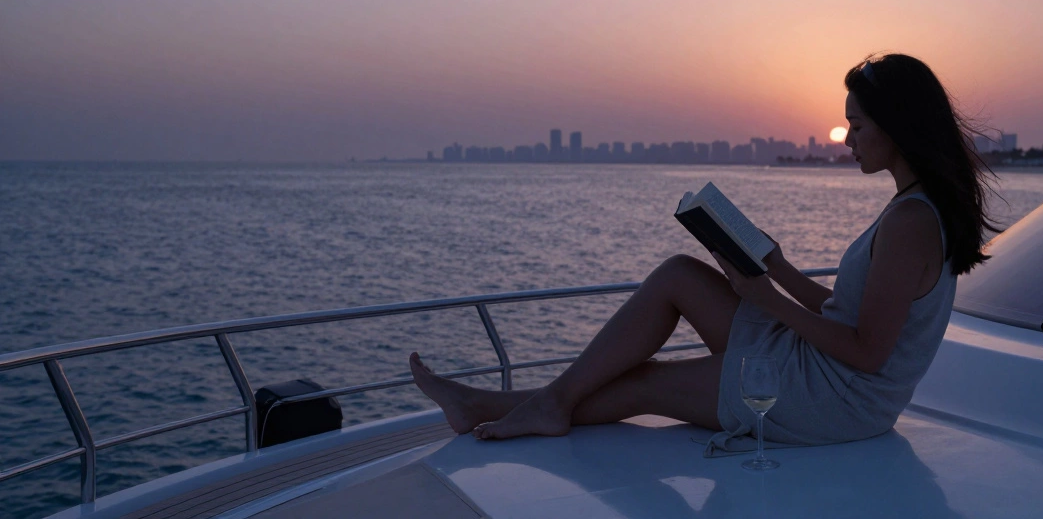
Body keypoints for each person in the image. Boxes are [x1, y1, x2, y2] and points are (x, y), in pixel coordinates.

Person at [409, 53, 999, 450]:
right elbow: (851, 314)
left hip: (837, 398)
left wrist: (763, 297)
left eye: (858, 126)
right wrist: (779, 268)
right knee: (680, 275)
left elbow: (869, 353)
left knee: (645, 382)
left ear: (896, 127)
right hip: (826, 368)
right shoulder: (913, 209)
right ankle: (527, 404)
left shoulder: (911, 223)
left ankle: (507, 405)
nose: (847, 139)